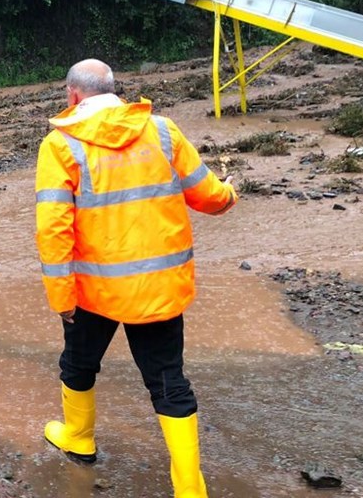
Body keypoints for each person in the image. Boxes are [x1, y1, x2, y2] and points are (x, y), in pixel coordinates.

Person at [34, 59, 237, 498]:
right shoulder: (162, 130)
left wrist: (60, 295)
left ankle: (79, 437)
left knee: (78, 365)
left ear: (72, 95)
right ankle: (189, 489)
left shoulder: (61, 144)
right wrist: (230, 195)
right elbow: (208, 194)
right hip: (159, 289)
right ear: (115, 90)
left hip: (95, 291)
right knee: (168, 382)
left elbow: (53, 229)